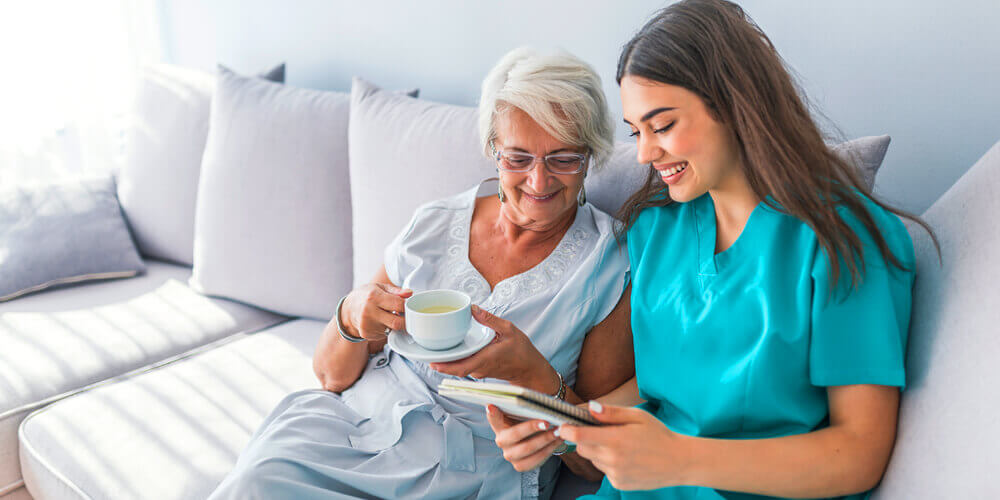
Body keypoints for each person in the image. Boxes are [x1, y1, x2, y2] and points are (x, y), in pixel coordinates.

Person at [487, 1, 937, 499]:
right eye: (636, 132)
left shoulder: (843, 239)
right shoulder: (655, 229)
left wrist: (680, 458)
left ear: (733, 104)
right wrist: (563, 430)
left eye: (662, 126)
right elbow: (658, 387)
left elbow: (858, 454)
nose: (643, 154)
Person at [207, 47, 634, 500]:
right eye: (518, 158)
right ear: (493, 150)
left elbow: (591, 464)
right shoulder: (433, 223)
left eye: (564, 158)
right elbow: (331, 378)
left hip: (471, 470)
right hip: (357, 427)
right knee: (258, 480)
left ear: (591, 154)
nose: (539, 181)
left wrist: (536, 378)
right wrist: (352, 315)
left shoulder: (609, 263)